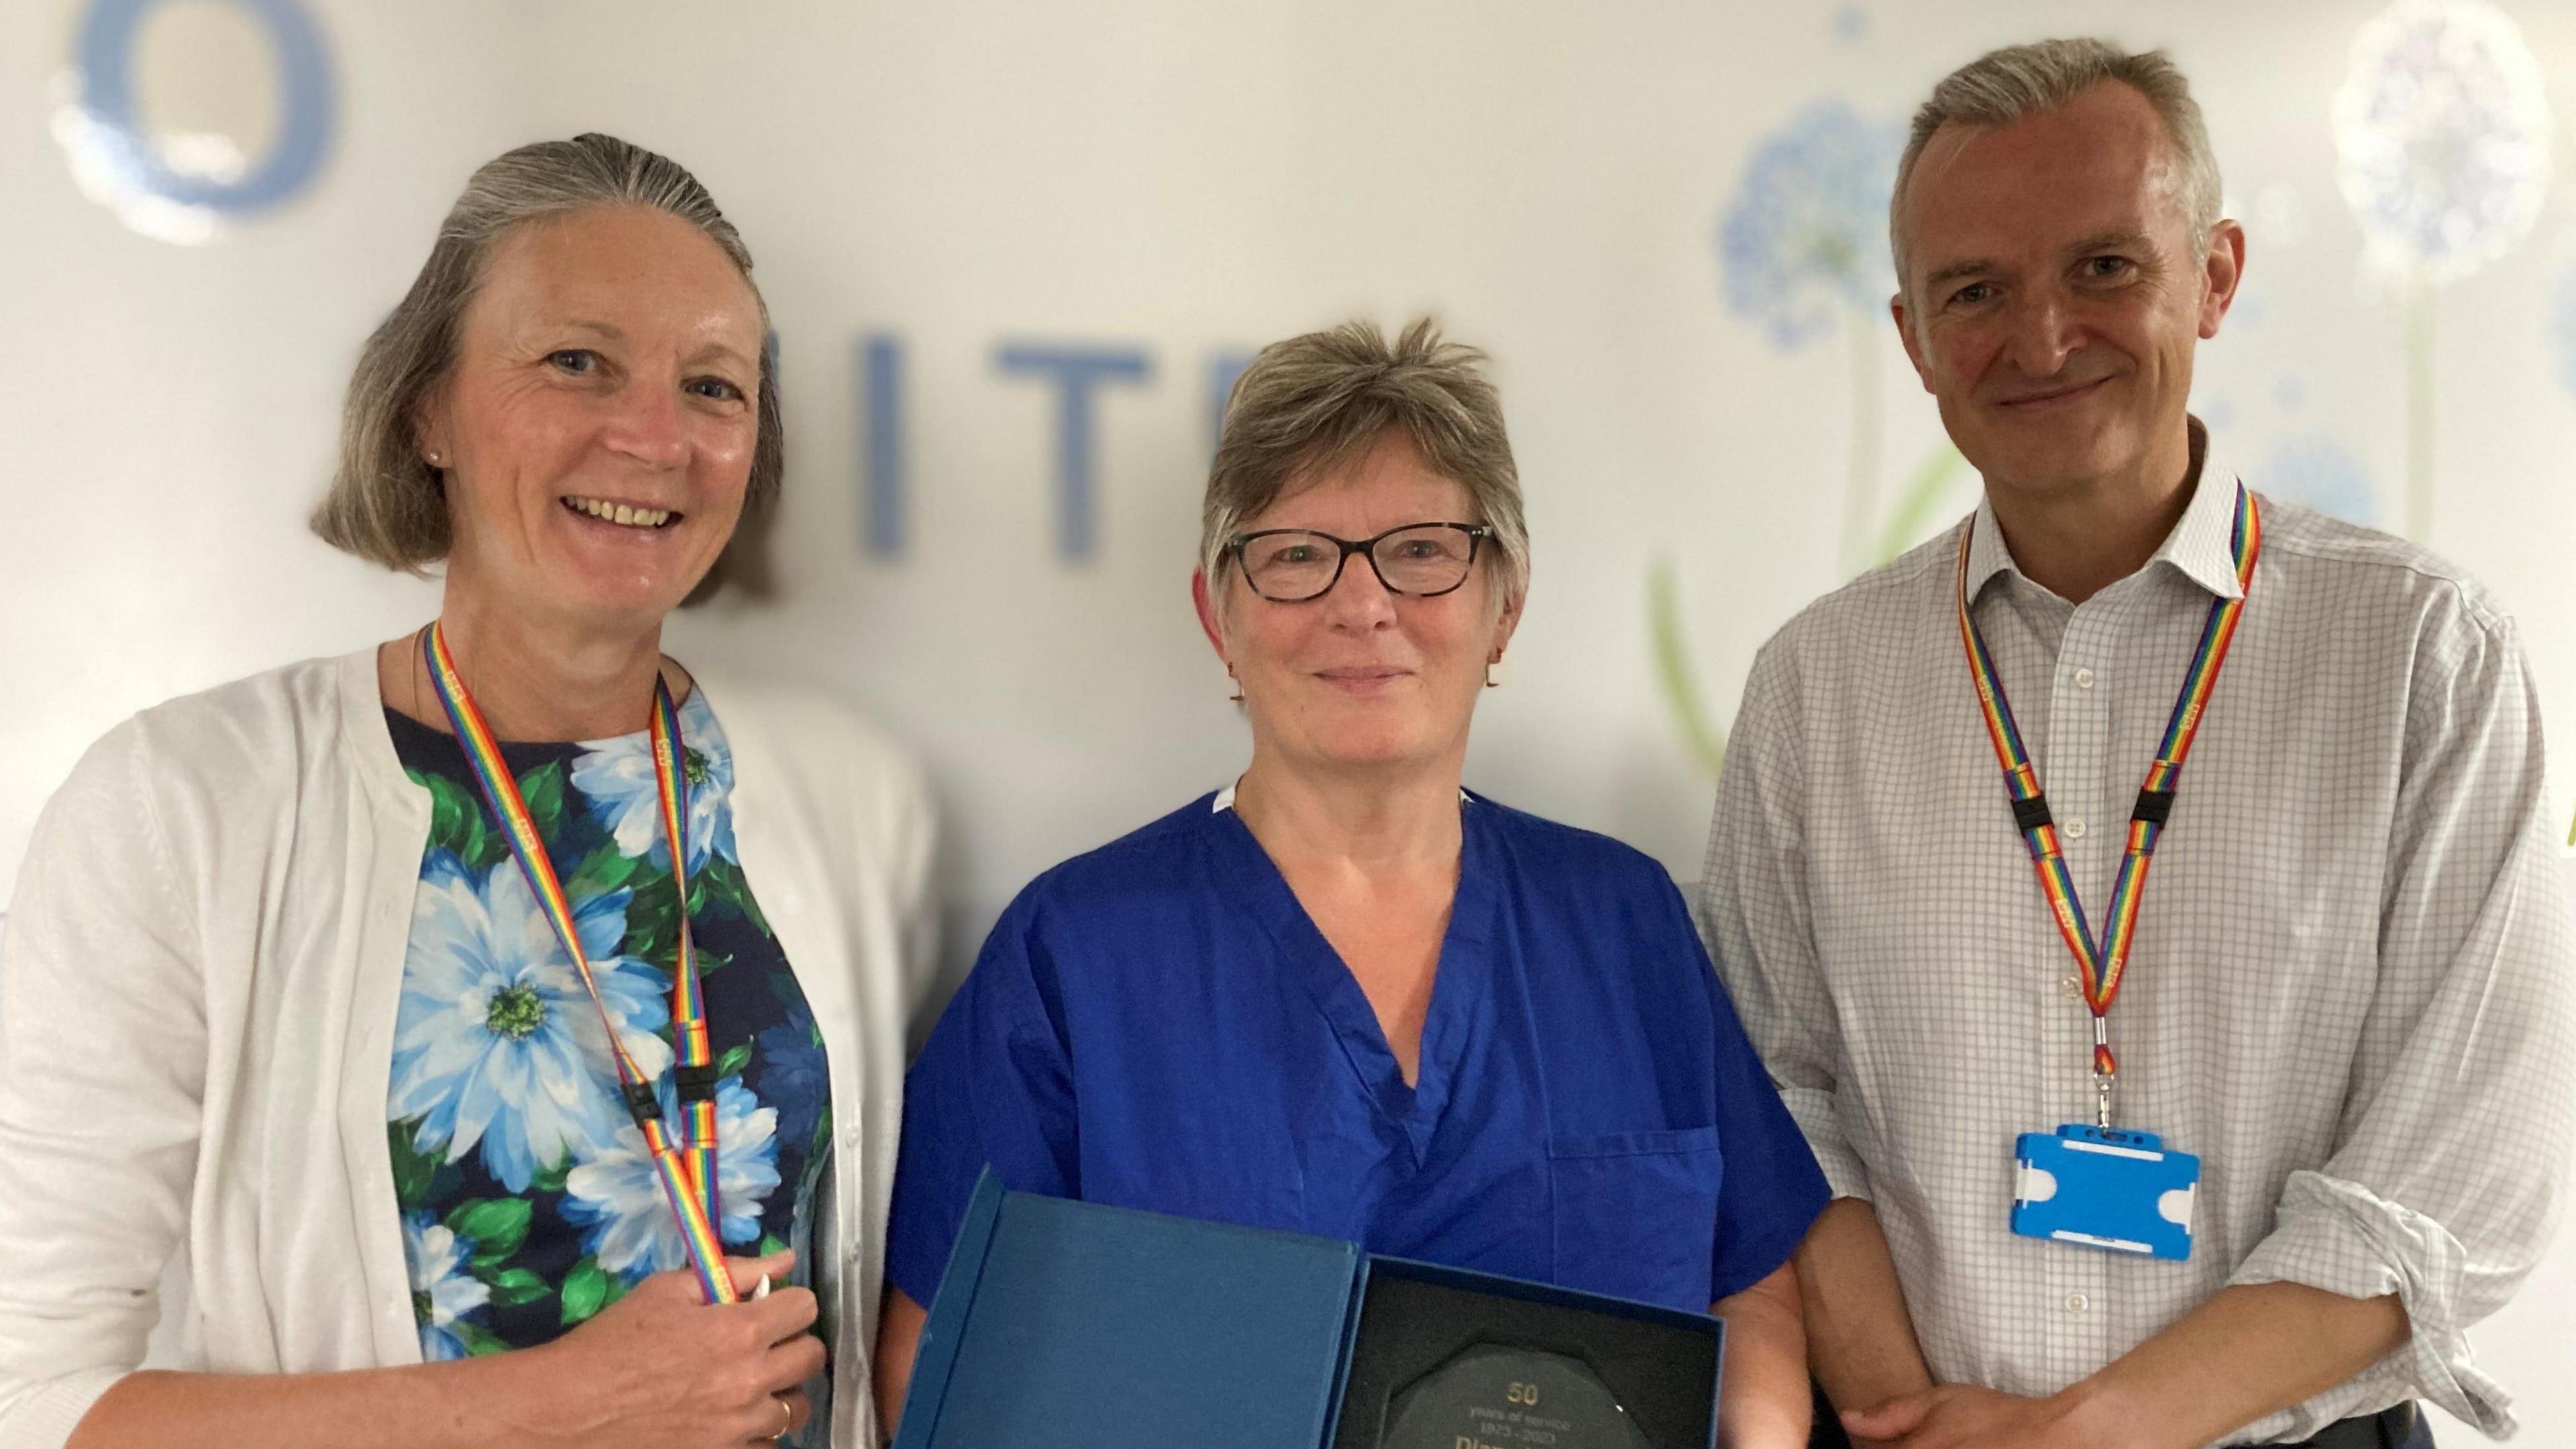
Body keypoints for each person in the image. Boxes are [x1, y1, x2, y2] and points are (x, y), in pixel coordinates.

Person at [1701, 39, 2575, 1449]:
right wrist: (1905, 1412)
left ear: (2216, 273)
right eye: (1975, 291)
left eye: (2104, 267)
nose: (2040, 338)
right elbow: (1770, 1099)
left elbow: (2452, 1181)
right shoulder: (1817, 687)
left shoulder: (2426, 661)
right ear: (1914, 336)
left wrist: (2085, 1433)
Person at [0, 134, 936, 1449]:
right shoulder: (185, 806)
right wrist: (562, 1402)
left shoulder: (844, 806)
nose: (657, 436)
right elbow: (33, 1401)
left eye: (714, 386)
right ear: (427, 408)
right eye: (578, 361)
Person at [871, 318, 1829, 1445]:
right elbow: (940, 1362)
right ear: (1218, 616)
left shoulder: (1622, 924)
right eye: (1295, 556)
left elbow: (1751, 1284)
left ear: (1505, 604)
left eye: (1422, 551)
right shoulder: (1077, 957)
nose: (1362, 603)